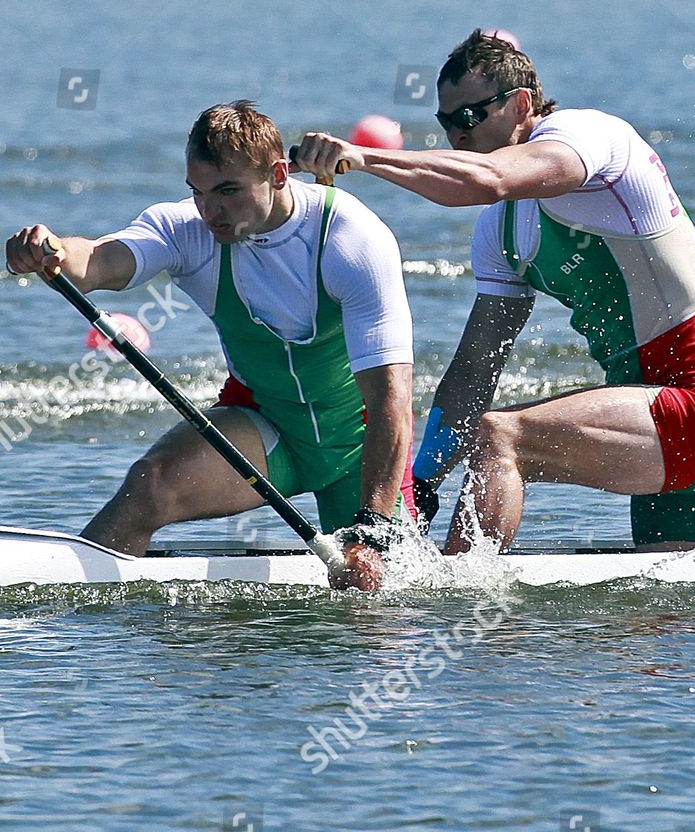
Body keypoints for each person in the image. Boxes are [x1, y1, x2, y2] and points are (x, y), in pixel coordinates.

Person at [294, 30, 695, 553]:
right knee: (675, 623)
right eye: (447, 122)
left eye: (471, 117)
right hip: (641, 420)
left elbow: (487, 178)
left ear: (521, 105)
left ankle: (466, 609)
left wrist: (362, 158)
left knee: (499, 437)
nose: (457, 135)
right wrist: (422, 482)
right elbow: (475, 369)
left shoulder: (591, 136)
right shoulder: (502, 231)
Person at [5, 101, 417, 589]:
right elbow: (96, 262)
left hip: (359, 444)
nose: (210, 211)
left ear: (280, 175)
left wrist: (372, 531)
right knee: (149, 485)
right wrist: (52, 249)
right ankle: (81, 626)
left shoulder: (352, 238)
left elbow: (392, 397)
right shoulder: (187, 230)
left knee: (383, 617)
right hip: (268, 427)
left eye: (227, 191)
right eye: (198, 193)